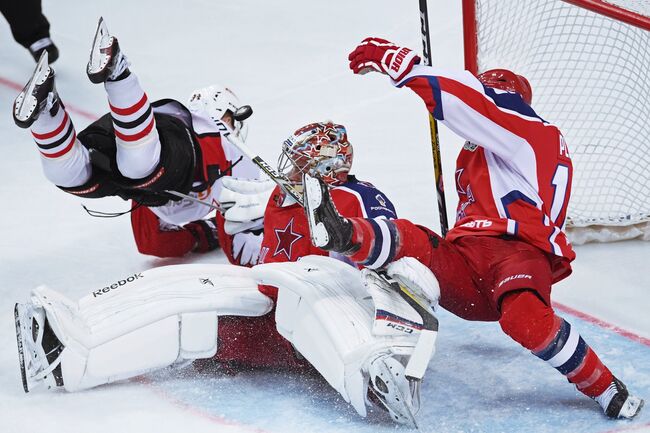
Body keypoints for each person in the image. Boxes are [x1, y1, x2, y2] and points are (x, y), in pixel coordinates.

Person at [301, 37, 644, 420]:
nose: (487, 96)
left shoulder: (531, 130)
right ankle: (342, 234)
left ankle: (604, 386)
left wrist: (407, 66)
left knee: (525, 321)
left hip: (516, 253)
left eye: (492, 91)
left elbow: (473, 103)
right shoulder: (484, 151)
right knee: (410, 241)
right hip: (468, 267)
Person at [14, 120, 439, 426]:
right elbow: (259, 263)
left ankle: (375, 375)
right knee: (185, 292)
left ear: (324, 167)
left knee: (310, 275)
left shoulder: (359, 197)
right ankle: (68, 348)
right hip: (280, 321)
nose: (286, 171)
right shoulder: (279, 201)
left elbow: (390, 254)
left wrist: (397, 334)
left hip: (336, 312)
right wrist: (230, 226)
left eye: (297, 164)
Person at [12, 17, 261, 265]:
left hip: (135, 139)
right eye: (232, 118)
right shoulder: (228, 144)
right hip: (162, 146)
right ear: (223, 111)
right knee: (138, 165)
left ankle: (46, 112)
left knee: (71, 175)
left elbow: (150, 240)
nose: (235, 127)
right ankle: (118, 72)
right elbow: (242, 249)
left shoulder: (158, 181)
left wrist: (205, 233)